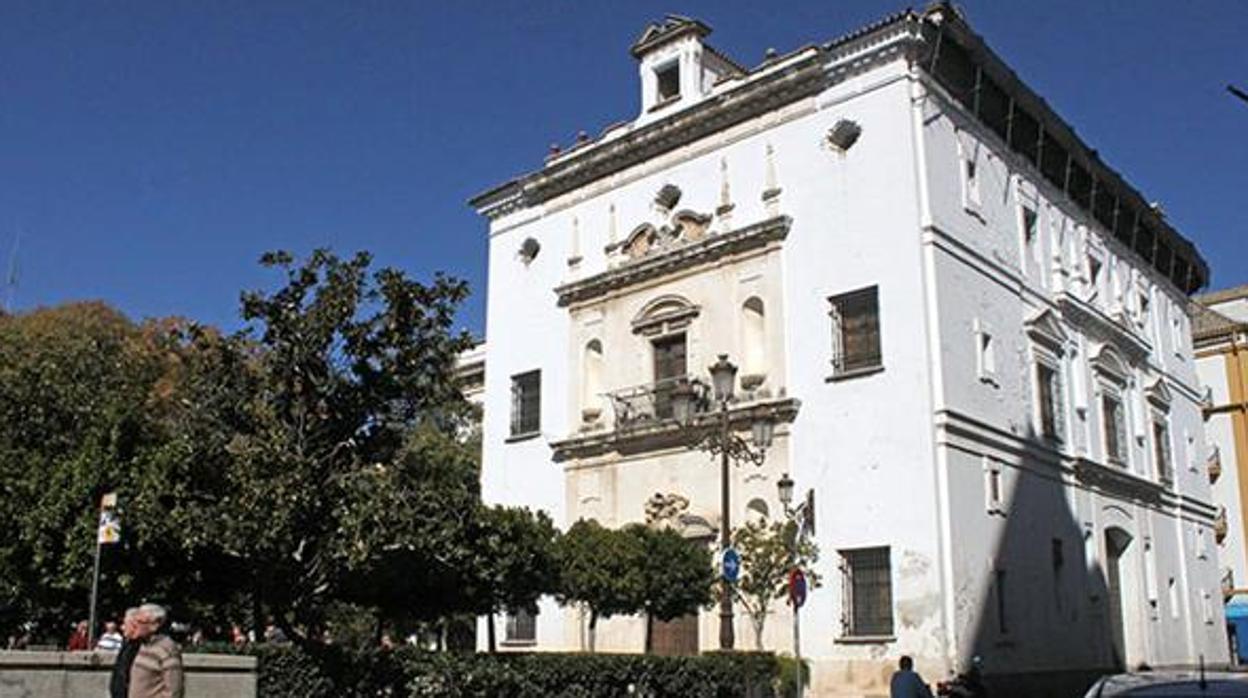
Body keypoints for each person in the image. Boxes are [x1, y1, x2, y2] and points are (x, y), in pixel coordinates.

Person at [111, 604, 184, 698]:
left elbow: (174, 690)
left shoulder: (167, 649)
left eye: (140, 622)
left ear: (155, 625)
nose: (136, 625)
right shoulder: (142, 645)